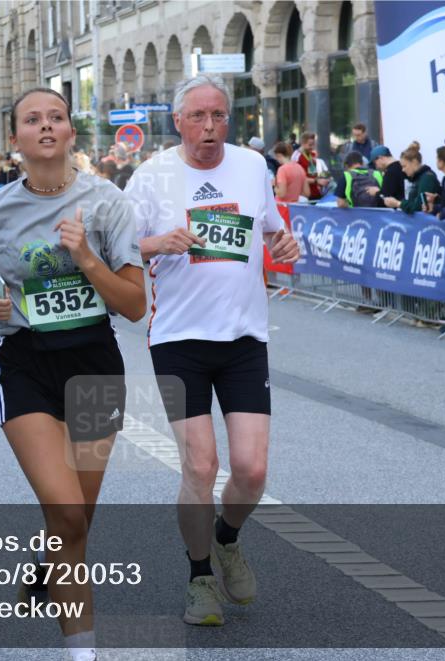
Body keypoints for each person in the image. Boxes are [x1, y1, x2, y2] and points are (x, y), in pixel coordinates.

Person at [0, 87, 146, 661]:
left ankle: (48, 562)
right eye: (33, 120)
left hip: (95, 365)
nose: (46, 126)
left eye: (56, 117)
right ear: (16, 140)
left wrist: (86, 258)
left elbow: (133, 305)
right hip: (26, 361)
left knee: (75, 518)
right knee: (66, 510)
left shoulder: (106, 203)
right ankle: (83, 656)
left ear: (71, 133)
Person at [125, 74, 300, 628]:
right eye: (198, 116)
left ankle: (227, 538)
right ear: (177, 121)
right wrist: (158, 242)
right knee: (202, 466)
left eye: (219, 116)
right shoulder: (151, 177)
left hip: (245, 338)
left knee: (251, 470)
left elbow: (272, 230)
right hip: (179, 341)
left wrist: (284, 243)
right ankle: (200, 575)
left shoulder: (251, 166)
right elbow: (114, 248)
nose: (209, 127)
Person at [382, 146, 441, 214]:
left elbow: (419, 206)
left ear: (414, 162)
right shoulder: (417, 178)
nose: (403, 170)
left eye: (404, 166)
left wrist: (398, 203)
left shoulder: (427, 178)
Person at [293, 132, 329, 200]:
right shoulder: (297, 156)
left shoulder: (311, 154)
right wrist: (316, 181)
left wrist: (323, 178)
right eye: (310, 145)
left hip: (315, 192)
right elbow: (297, 178)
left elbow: (313, 173)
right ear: (303, 143)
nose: (312, 147)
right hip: (304, 195)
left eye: (313, 145)